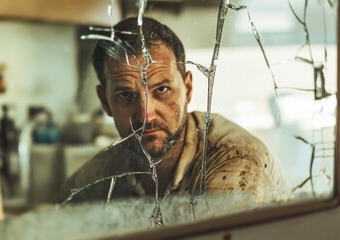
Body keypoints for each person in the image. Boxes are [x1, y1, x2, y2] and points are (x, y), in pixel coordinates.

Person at [60, 17, 284, 203]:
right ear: (105, 102)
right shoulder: (95, 179)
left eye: (162, 89)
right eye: (125, 95)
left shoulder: (234, 161)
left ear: (187, 89)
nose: (146, 115)